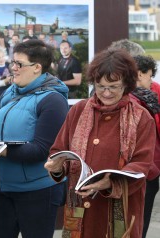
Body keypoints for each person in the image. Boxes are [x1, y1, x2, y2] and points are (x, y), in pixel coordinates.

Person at [44, 49, 156, 238]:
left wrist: (110, 183)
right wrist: (55, 166)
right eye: (100, 86)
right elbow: (59, 149)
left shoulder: (141, 117)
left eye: (114, 87)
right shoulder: (79, 110)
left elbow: (142, 165)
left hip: (119, 213)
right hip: (79, 209)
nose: (106, 93)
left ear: (127, 84)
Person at [0, 39, 69, 238]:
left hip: (38, 192)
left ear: (37, 68)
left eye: (19, 64)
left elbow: (42, 151)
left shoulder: (53, 100)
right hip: (1, 188)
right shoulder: (10, 91)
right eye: (12, 62)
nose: (12, 68)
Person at [130, 55, 160, 238]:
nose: (151, 80)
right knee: (136, 223)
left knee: (141, 220)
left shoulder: (151, 95)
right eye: (150, 75)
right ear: (140, 74)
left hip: (150, 169)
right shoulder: (135, 101)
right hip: (143, 170)